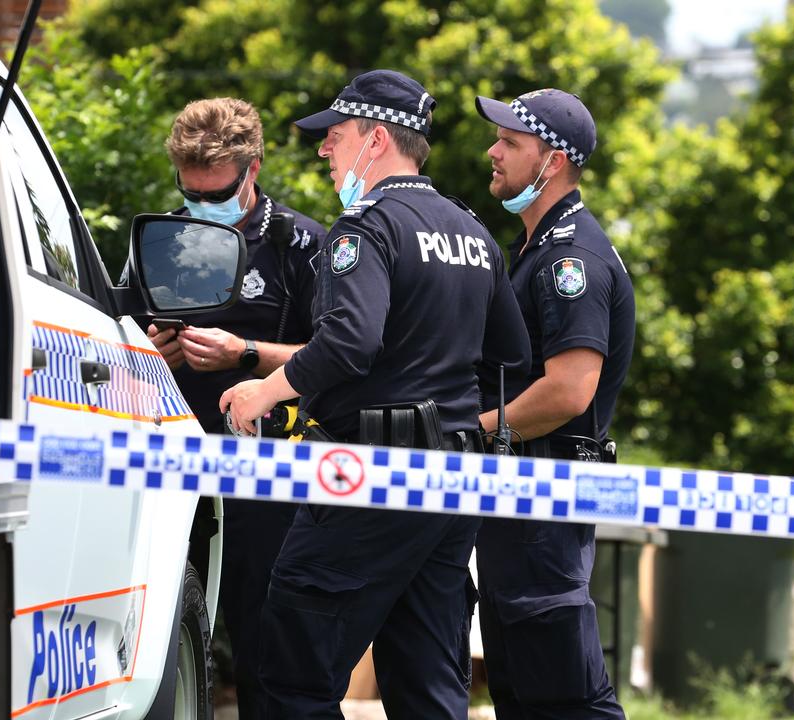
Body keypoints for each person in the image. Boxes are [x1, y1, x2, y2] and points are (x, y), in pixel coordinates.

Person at [220, 69, 530, 719]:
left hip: (370, 478)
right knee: (427, 687)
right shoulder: (473, 234)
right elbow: (512, 353)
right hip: (453, 480)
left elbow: (348, 344)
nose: (324, 151)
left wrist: (262, 392)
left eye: (335, 136)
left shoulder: (367, 226)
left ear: (375, 139)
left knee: (291, 680)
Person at [130, 97, 326, 719]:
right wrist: (150, 347)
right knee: (171, 642)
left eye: (216, 194)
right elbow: (118, 339)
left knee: (269, 653)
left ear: (254, 169)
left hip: (269, 478)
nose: (201, 207)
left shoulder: (303, 243)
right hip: (175, 470)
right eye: (190, 193)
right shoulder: (158, 242)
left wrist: (245, 355)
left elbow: (335, 356)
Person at [471, 88, 634, 719]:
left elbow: (569, 390)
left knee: (566, 698)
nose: (494, 152)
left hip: (545, 497)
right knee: (522, 694)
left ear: (554, 161)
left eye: (511, 143)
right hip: (522, 499)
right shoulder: (539, 248)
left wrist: (470, 431)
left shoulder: (571, 258)